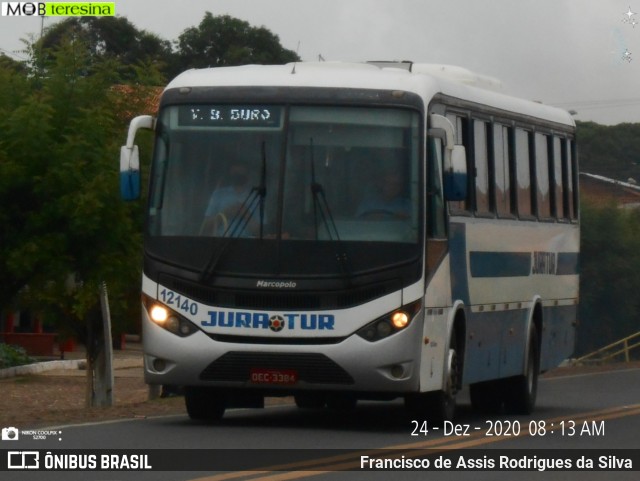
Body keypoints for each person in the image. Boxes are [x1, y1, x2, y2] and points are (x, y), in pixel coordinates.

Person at [201, 160, 254, 235]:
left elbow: (260, 231)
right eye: (235, 171)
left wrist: (244, 213)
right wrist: (225, 213)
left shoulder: (256, 197)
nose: (237, 173)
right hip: (221, 243)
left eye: (240, 171)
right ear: (230, 172)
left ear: (247, 172)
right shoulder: (218, 194)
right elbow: (205, 226)